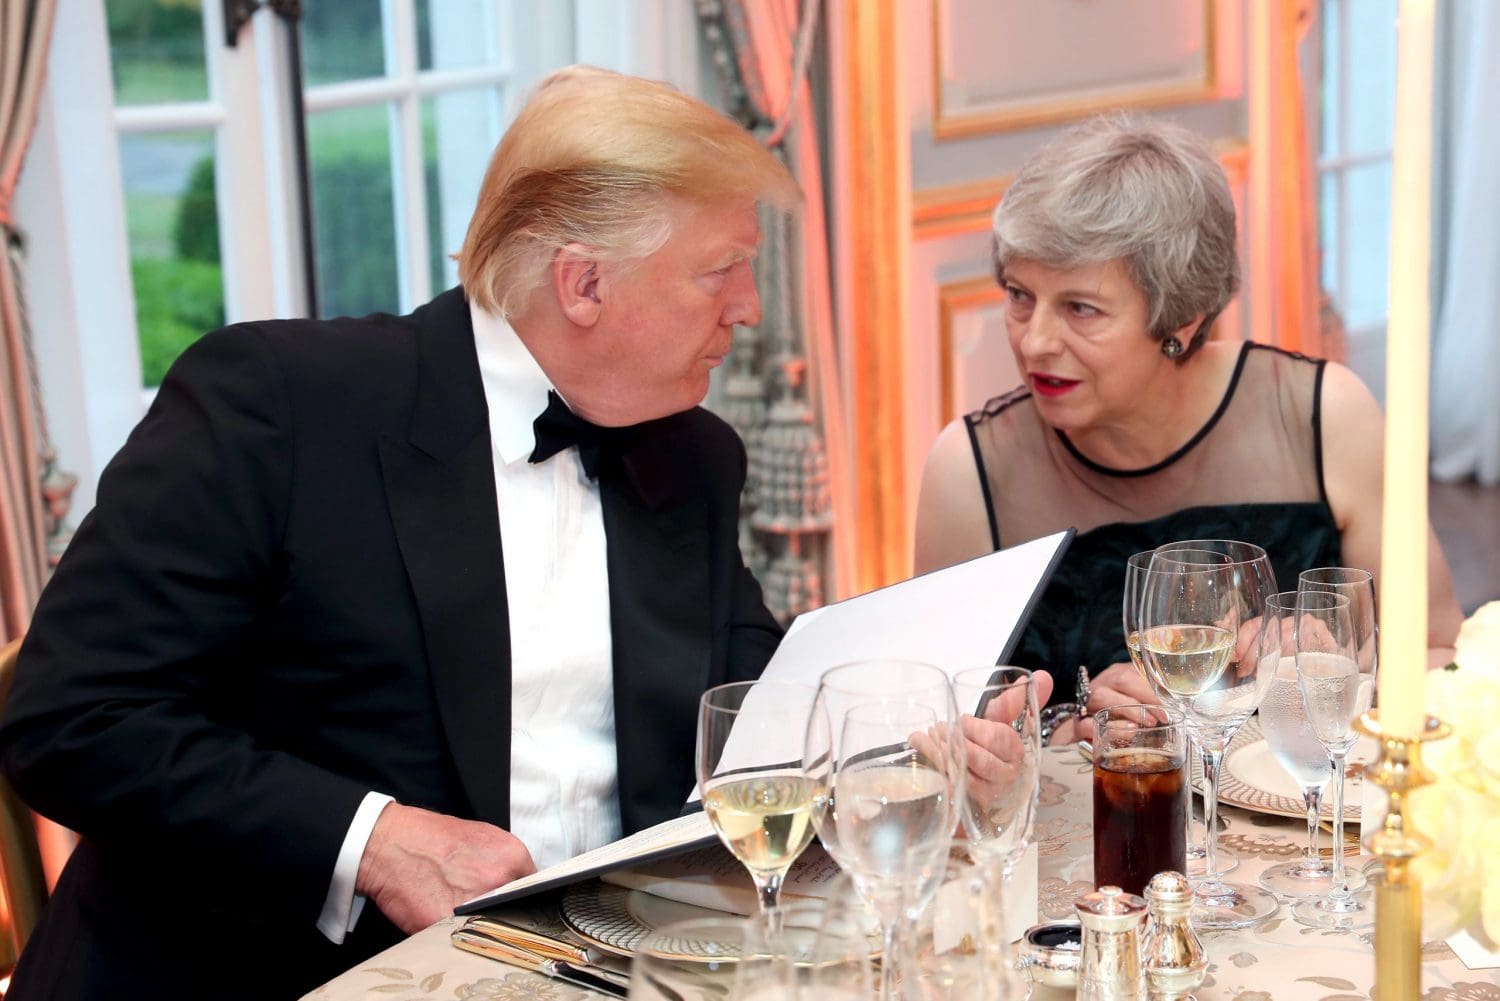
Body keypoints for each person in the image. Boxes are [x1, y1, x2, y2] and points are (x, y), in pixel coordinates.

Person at [0, 66, 796, 1000]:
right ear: (583, 284)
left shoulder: (690, 454)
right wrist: (371, 840)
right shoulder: (276, 410)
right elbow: (75, 717)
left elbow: (754, 710)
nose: (747, 305)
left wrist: (914, 735)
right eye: (719, 270)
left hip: (599, 968)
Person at [914, 114, 1462, 738]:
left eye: (1080, 309)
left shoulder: (1323, 418)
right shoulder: (971, 471)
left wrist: (1337, 674)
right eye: (1019, 295)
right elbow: (943, 738)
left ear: (1181, 319)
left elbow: (1440, 659)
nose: (1034, 341)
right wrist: (1068, 728)